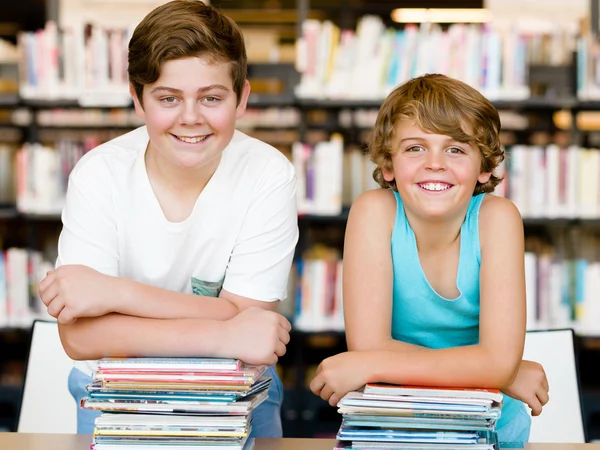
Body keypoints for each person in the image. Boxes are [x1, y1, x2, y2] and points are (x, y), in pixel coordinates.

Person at [37, 0, 297, 437]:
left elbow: (253, 330)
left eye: (211, 98)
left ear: (242, 98)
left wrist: (114, 294)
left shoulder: (268, 174)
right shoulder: (99, 174)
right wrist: (223, 330)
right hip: (111, 393)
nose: (191, 118)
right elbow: (79, 339)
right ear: (137, 98)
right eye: (168, 98)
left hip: (235, 392)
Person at [309, 74, 549, 444]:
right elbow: (368, 344)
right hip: (394, 418)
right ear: (388, 165)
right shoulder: (374, 212)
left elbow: (371, 357)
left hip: (488, 424)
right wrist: (499, 371)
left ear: (484, 168)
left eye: (455, 149)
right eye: (415, 148)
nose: (434, 163)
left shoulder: (497, 219)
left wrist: (374, 363)